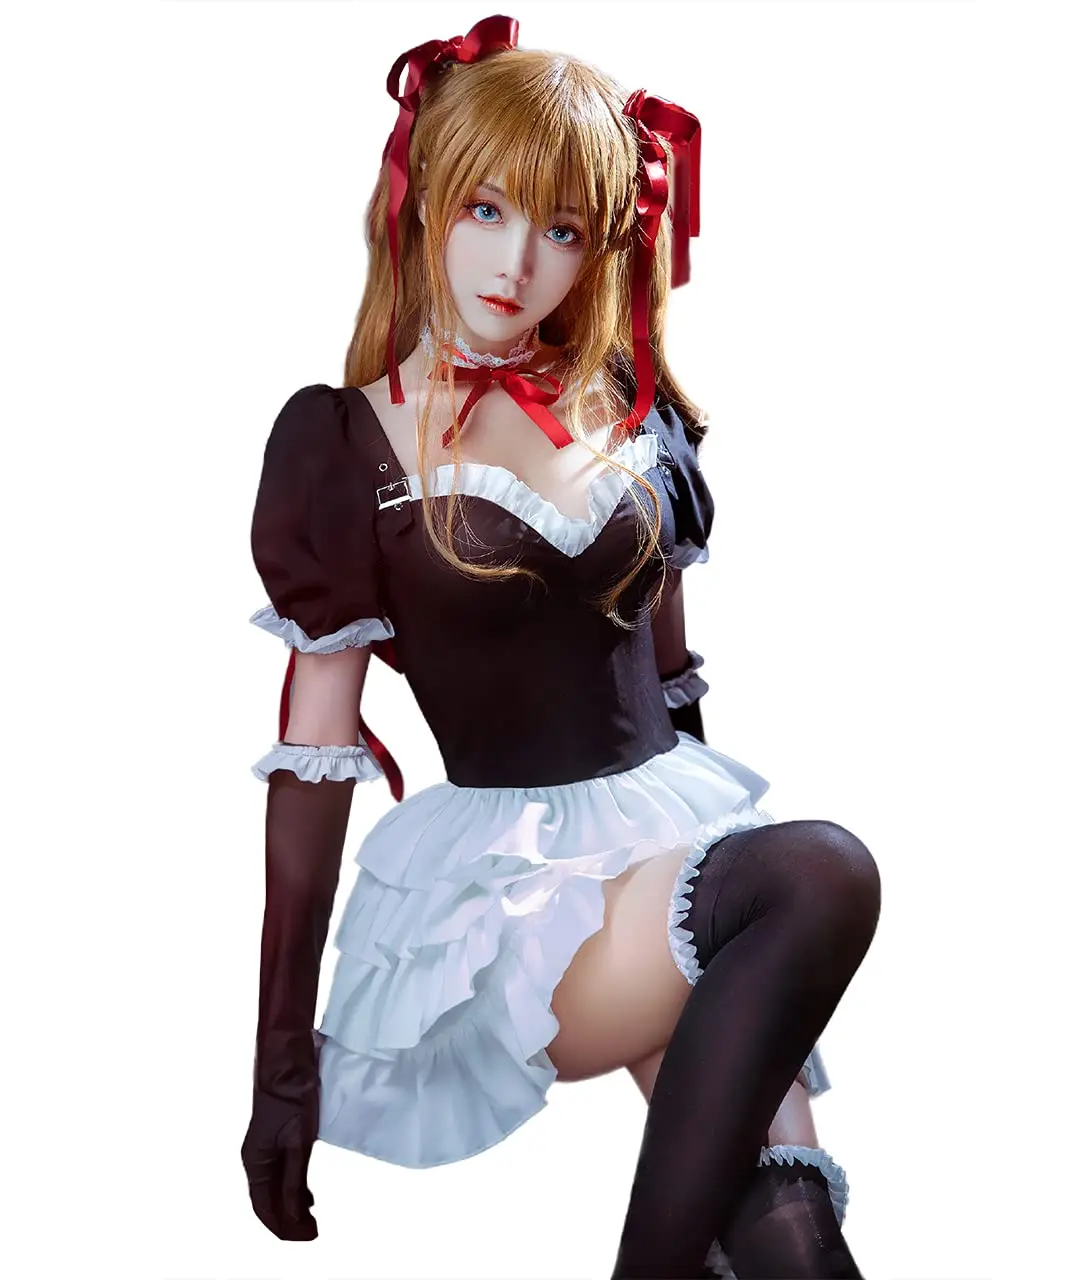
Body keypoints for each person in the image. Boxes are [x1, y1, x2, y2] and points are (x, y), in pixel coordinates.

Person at [239, 15, 882, 1279]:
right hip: (519, 908)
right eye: (485, 209)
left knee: (784, 1235)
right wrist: (278, 1065)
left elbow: (670, 682)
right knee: (821, 871)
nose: (516, 261)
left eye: (563, 228)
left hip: (670, 856)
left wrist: (719, 902)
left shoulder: (637, 412)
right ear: (424, 198)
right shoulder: (343, 442)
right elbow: (311, 765)